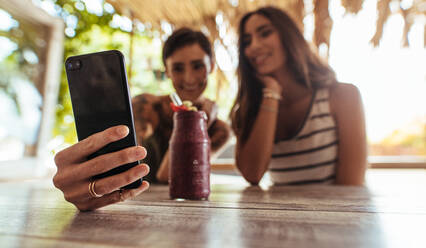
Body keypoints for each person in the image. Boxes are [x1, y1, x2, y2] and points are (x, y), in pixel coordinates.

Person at [230, 7, 367, 186]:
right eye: (247, 41)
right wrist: (271, 94)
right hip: (279, 213)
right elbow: (253, 174)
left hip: (337, 212)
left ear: (289, 36)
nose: (254, 46)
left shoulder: (343, 96)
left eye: (265, 33)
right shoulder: (251, 110)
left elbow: (351, 187)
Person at [132, 28, 230, 183]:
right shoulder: (147, 107)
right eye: (178, 68)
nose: (189, 78)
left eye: (197, 66)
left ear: (211, 66)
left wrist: (200, 123)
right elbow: (133, 170)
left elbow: (173, 175)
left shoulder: (219, 130)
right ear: (168, 71)